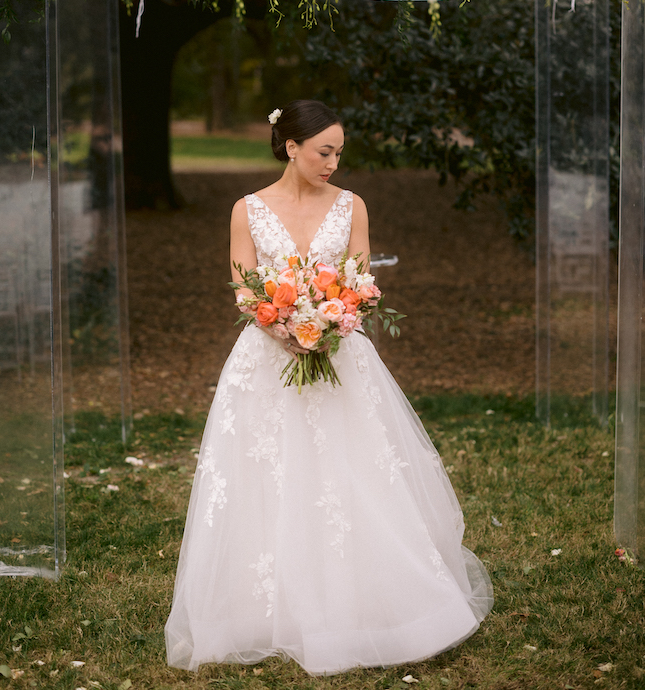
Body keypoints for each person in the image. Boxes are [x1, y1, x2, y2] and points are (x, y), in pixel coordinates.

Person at [165, 99, 493, 676]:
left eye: (339, 152)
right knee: (264, 477)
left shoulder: (351, 207)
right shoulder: (247, 209)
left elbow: (361, 281)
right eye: (324, 151)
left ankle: (368, 600)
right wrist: (280, 325)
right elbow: (243, 287)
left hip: (340, 356)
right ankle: (263, 608)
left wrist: (333, 318)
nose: (334, 162)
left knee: (351, 473)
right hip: (266, 359)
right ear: (290, 147)